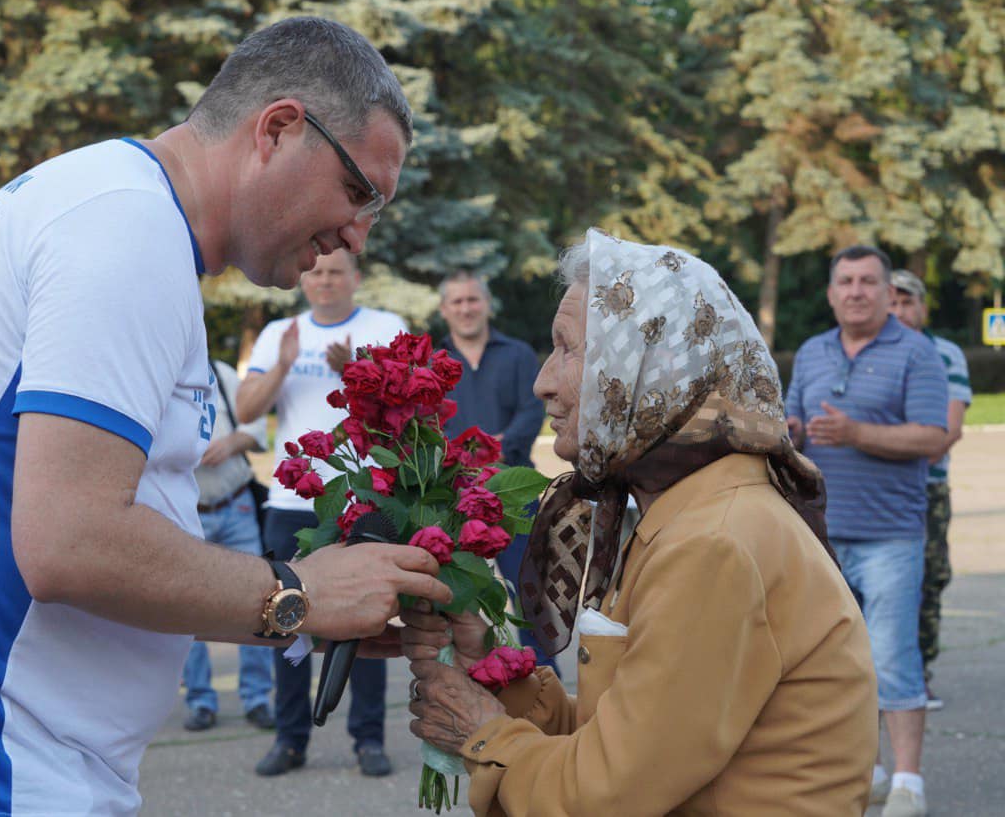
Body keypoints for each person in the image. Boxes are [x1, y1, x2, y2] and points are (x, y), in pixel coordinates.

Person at [0, 17, 453, 817]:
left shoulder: (105, 204)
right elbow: (71, 541)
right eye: (358, 192)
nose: (357, 235)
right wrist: (297, 592)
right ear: (279, 129)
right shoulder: (128, 229)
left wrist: (308, 604)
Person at [401, 229, 878, 816]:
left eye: (567, 349)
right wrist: (491, 669)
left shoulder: (711, 545)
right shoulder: (695, 512)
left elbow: (610, 794)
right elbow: (625, 741)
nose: (542, 382)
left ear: (654, 372)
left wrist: (484, 736)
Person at [785, 245, 948, 817]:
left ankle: (908, 782)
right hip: (820, 538)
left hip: (890, 537)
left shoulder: (917, 352)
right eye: (846, 281)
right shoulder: (812, 351)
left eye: (868, 281)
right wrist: (793, 432)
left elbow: (933, 437)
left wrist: (857, 434)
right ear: (831, 293)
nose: (856, 291)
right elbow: (793, 422)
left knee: (894, 660)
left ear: (886, 292)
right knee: (838, 665)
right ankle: (868, 771)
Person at [235, 247, 407, 778]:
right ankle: (290, 740)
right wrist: (285, 363)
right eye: (316, 272)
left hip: (363, 498)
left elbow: (408, 406)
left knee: (366, 619)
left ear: (355, 278)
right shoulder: (279, 334)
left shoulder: (385, 326)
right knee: (282, 617)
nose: (325, 280)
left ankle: (368, 739)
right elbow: (245, 409)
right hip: (291, 501)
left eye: (336, 272)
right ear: (304, 280)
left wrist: (353, 370)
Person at [436, 270, 553, 670]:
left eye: (473, 299)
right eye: (457, 301)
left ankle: (546, 678)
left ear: (487, 304)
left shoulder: (518, 354)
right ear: (444, 309)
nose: (466, 308)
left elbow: (533, 410)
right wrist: (459, 455)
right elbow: (427, 423)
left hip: (513, 496)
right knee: (455, 598)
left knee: (531, 594)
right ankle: (468, 677)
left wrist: (494, 448)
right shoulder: (434, 362)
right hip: (453, 501)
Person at [890, 269, 972, 712]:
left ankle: (919, 673)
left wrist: (885, 450)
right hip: (874, 492)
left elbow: (947, 431)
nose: (900, 312)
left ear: (922, 307)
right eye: (892, 303)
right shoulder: (860, 351)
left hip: (926, 488)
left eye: (908, 303)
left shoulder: (945, 354)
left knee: (929, 578)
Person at [180, 359, 274, 733]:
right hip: (188, 512)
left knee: (259, 604)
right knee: (186, 609)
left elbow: (255, 429)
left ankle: (257, 698)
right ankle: (200, 700)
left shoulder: (222, 374)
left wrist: (233, 443)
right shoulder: (159, 373)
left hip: (237, 504)